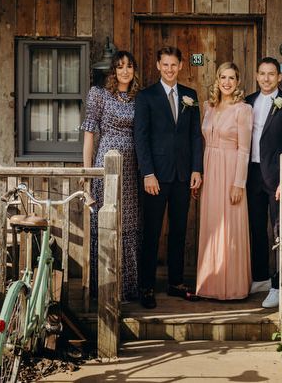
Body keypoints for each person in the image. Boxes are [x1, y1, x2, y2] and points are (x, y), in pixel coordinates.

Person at [134, 46, 203, 309]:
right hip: (156, 177)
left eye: (174, 65)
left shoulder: (190, 95)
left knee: (178, 231)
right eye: (165, 65)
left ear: (181, 65)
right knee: (151, 233)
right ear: (158, 66)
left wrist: (197, 169)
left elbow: (195, 135)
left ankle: (176, 283)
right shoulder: (146, 96)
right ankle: (147, 286)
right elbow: (141, 138)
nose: (170, 69)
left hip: (183, 176)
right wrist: (148, 173)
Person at [82, 50, 141, 301]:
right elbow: (89, 134)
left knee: (128, 223)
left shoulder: (141, 98)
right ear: (113, 71)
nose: (125, 71)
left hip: (132, 167)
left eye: (129, 66)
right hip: (106, 163)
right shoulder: (99, 95)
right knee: (105, 220)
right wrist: (88, 174)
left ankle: (128, 288)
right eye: (120, 67)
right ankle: (102, 287)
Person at [245, 57, 282, 309]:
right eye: (262, 73)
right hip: (251, 174)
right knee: (256, 228)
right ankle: (260, 278)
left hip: (276, 176)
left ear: (279, 77)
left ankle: (279, 286)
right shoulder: (247, 102)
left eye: (271, 74)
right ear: (256, 76)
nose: (266, 78)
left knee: (279, 231)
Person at [195, 62, 253, 300]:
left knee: (230, 226)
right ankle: (210, 285)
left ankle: (233, 287)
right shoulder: (209, 107)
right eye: (223, 77)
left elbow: (244, 149)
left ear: (237, 81)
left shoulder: (243, 109)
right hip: (211, 168)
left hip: (231, 170)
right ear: (217, 80)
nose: (227, 82)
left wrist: (239, 182)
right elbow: (202, 143)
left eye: (231, 78)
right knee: (211, 225)